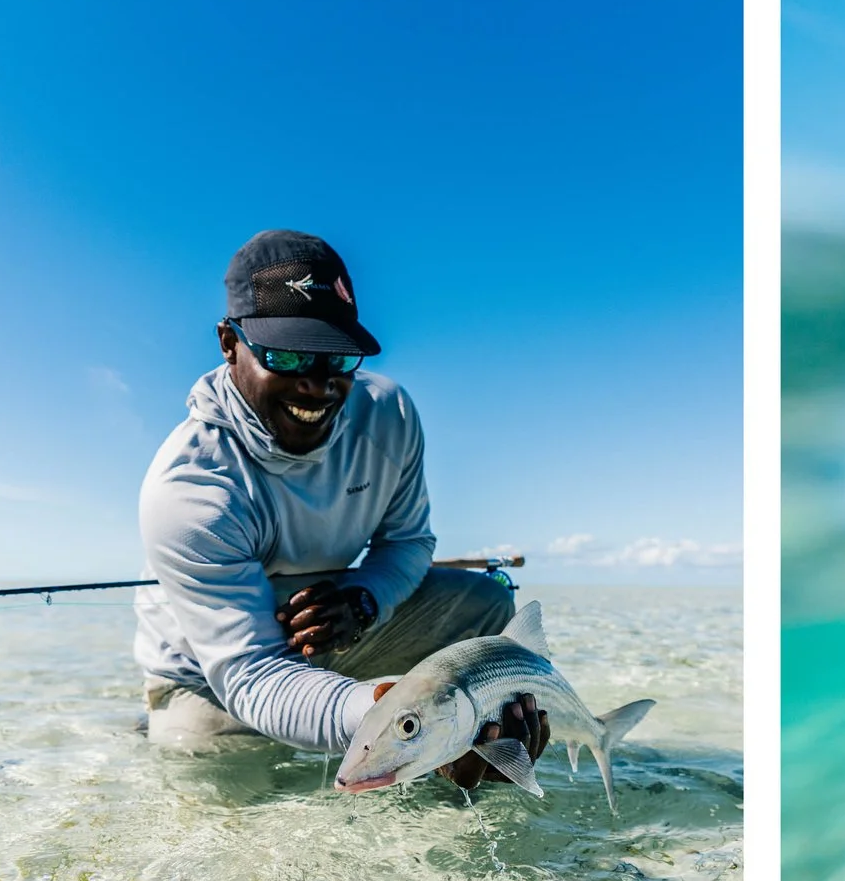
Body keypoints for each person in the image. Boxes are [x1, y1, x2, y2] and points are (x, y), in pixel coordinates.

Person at [137, 229, 544, 787]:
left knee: (484, 602)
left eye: (338, 357)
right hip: (216, 674)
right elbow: (252, 674)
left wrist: (365, 600)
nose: (317, 384)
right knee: (220, 785)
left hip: (340, 629)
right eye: (286, 354)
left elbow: (407, 543)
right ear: (229, 344)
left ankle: (481, 757)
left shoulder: (390, 415)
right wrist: (392, 714)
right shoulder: (191, 491)